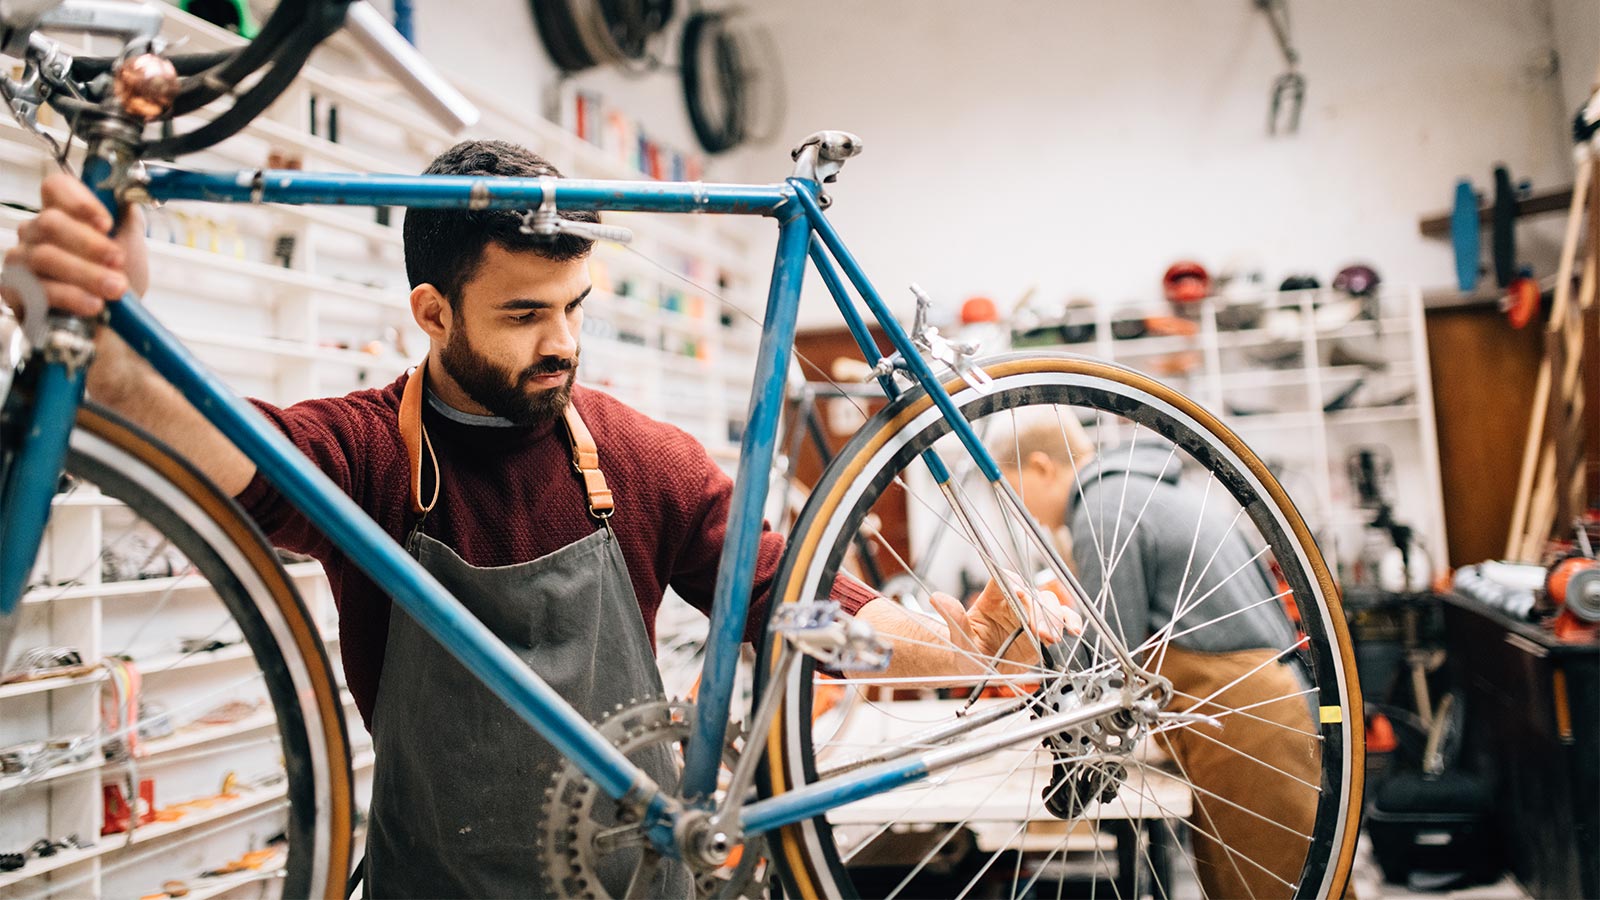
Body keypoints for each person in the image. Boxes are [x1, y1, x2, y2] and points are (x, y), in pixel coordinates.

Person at [3, 140, 1071, 898]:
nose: (561, 342)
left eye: (575, 309)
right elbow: (211, 440)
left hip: (631, 883)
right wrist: (113, 342)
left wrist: (971, 645)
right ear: (432, 311)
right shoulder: (371, 455)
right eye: (523, 315)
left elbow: (789, 594)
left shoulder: (638, 458)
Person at [995, 413, 1320, 900]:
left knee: (1274, 889)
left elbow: (1110, 665)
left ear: (1041, 467)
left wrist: (1031, 638)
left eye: (1014, 491)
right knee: (1269, 882)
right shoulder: (1137, 489)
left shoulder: (1102, 509)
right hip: (1256, 704)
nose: (1027, 514)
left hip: (1244, 715)